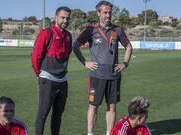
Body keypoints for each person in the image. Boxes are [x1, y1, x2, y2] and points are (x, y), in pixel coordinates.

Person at [73, 1, 132, 135]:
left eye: (110, 12)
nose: (108, 15)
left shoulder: (117, 30)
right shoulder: (90, 30)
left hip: (113, 74)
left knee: (112, 106)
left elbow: (128, 46)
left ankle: (109, 133)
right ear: (98, 13)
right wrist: (85, 62)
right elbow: (75, 46)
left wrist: (125, 63)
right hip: (97, 75)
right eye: (105, 12)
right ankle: (90, 133)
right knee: (93, 106)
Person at [31, 6, 72, 135]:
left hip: (63, 80)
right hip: (48, 79)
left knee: (58, 115)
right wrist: (39, 74)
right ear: (56, 18)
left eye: (67, 18)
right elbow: (36, 56)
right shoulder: (46, 33)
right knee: (43, 114)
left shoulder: (69, 36)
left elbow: (68, 53)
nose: (65, 20)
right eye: (62, 17)